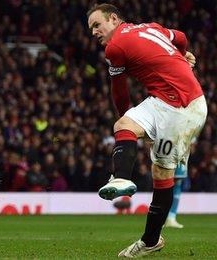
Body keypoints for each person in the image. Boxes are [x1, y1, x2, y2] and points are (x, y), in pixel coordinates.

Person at [87, 4, 207, 257]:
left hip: (182, 107)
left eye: (97, 25)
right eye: (91, 29)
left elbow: (119, 91)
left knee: (161, 171)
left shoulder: (115, 47)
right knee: (125, 128)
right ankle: (123, 181)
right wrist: (183, 56)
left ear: (114, 18)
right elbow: (182, 38)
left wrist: (125, 116)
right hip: (169, 100)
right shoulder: (150, 27)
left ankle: (150, 239)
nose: (94, 32)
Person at [164, 162, 186, 228]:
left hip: (177, 156)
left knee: (176, 182)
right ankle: (169, 217)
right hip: (175, 156)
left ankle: (169, 217)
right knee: (173, 181)